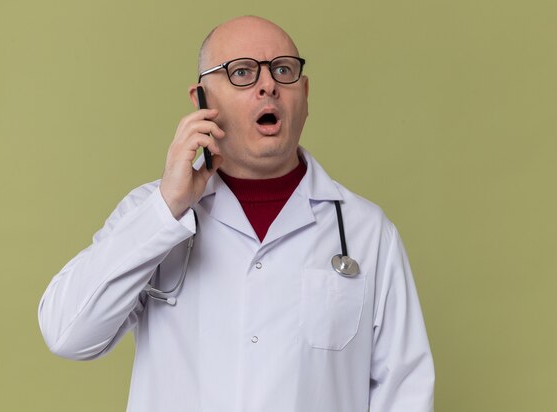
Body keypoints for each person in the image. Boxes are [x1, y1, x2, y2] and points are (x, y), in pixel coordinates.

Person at [38, 15, 434, 412]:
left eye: (283, 70)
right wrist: (166, 209)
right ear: (201, 102)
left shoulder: (366, 231)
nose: (269, 85)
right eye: (242, 72)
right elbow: (68, 334)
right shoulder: (151, 213)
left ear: (305, 94)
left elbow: (405, 392)